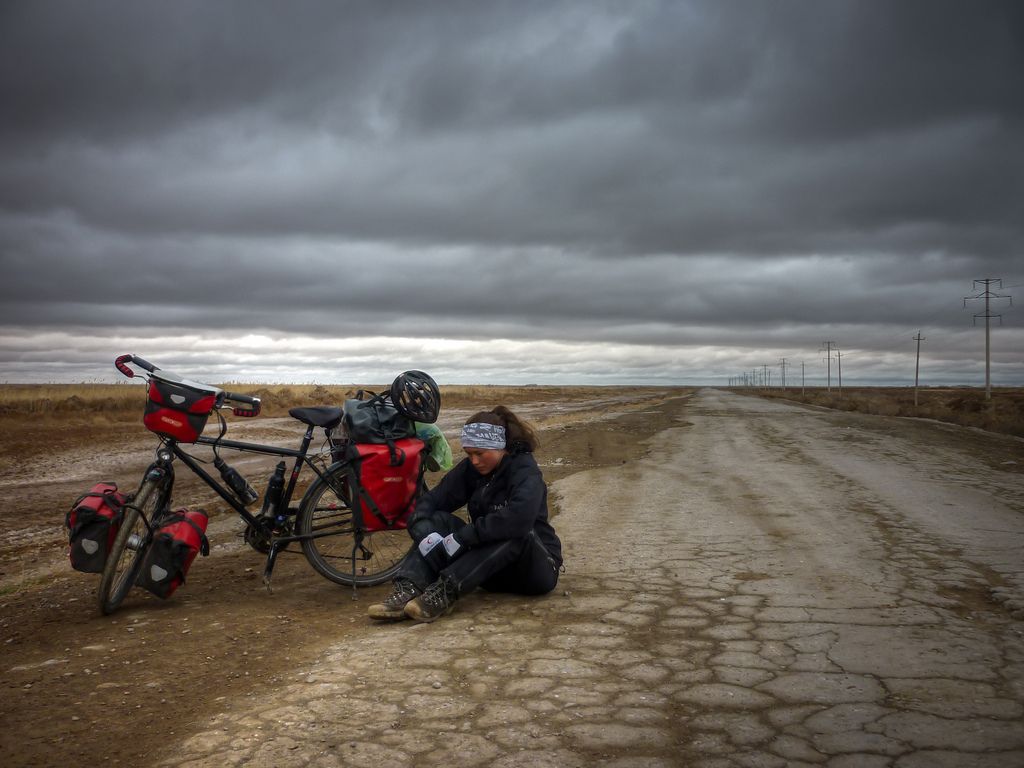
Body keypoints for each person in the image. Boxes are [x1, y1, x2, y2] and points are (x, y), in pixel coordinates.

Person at [368, 406, 563, 623]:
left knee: (516, 531)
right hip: (490, 572)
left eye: (480, 453)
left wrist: (462, 538)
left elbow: (518, 520)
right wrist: (421, 527)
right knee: (439, 520)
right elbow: (434, 499)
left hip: (535, 571)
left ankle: (444, 591)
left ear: (500, 447)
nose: (474, 461)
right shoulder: (473, 469)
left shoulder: (525, 471)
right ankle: (408, 588)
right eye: (469, 454)